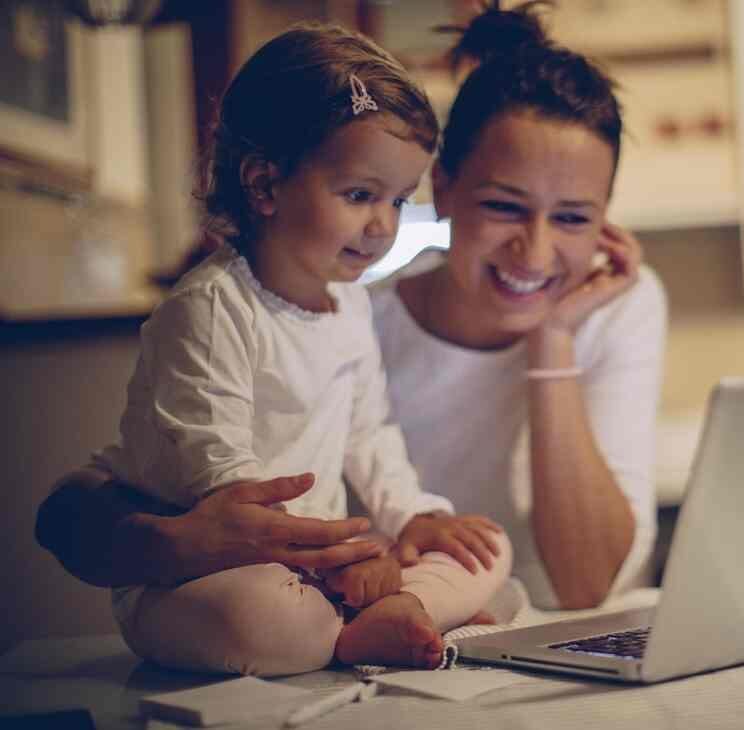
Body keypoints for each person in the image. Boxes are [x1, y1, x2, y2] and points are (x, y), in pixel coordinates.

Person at [37, 0, 664, 637]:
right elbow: (93, 500)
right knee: (274, 612)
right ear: (443, 186)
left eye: (573, 217)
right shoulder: (320, 309)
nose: (533, 251)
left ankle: (406, 614)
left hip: (491, 614)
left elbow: (585, 585)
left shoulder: (617, 305)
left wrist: (552, 339)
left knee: (487, 556)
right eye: (505, 205)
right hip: (285, 573)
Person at [80, 22, 513, 676]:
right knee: (262, 618)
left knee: (486, 548)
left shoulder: (350, 302)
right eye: (360, 195)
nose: (383, 226)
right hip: (212, 573)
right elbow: (222, 478)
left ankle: (377, 616)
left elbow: (370, 432)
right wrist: (345, 558)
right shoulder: (211, 308)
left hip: (325, 563)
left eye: (397, 199)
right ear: (265, 186)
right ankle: (377, 618)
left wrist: (414, 517)